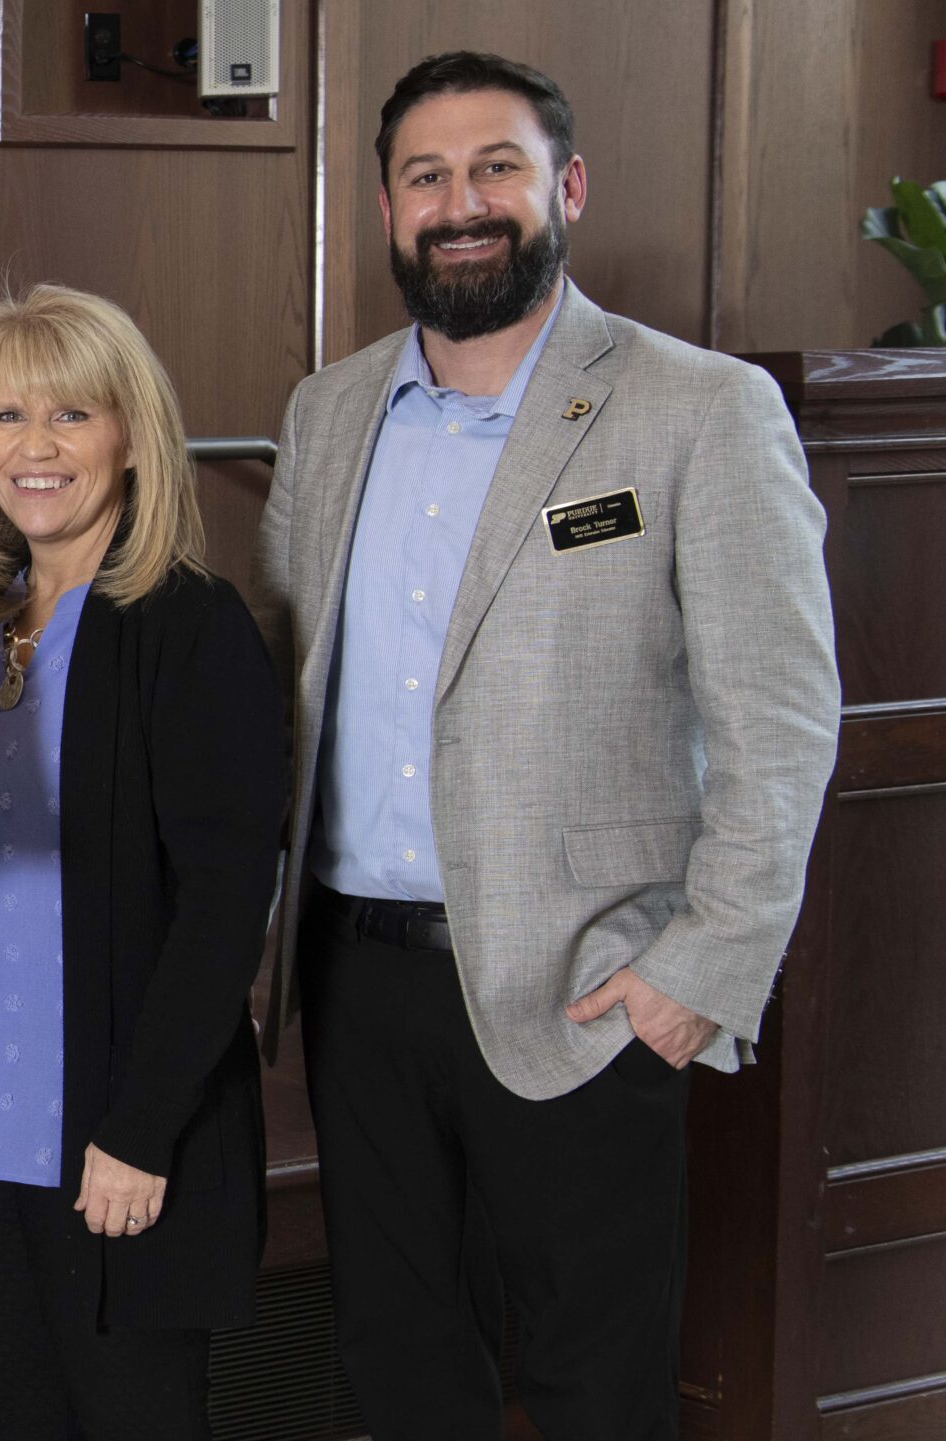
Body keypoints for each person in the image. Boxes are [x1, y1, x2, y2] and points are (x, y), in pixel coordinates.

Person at [252, 52, 840, 1438]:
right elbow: (284, 693)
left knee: (595, 1393)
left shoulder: (699, 408)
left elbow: (783, 716)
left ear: (564, 188)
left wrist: (700, 970)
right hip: (356, 985)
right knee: (399, 1376)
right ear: (391, 210)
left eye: (496, 168)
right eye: (428, 177)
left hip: (589, 998)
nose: (463, 203)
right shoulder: (326, 414)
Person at [0, 285, 282, 1438]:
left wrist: (139, 1129)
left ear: (130, 435)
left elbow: (224, 908)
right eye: (7, 415)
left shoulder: (189, 625)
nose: (34, 446)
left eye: (71, 414)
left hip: (108, 1132)